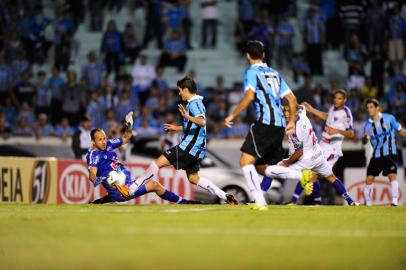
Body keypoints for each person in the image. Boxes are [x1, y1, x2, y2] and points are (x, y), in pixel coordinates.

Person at [132, 76, 238, 205]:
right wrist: (177, 128)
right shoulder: (197, 103)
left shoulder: (194, 103)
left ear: (186, 90)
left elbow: (202, 122)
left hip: (189, 146)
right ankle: (224, 195)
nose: (179, 93)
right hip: (197, 149)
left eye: (180, 90)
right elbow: (194, 125)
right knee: (194, 178)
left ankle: (132, 188)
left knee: (156, 164)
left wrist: (186, 116)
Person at [224, 40, 298, 211]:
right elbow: (292, 99)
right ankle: (302, 175)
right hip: (279, 125)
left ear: (248, 56)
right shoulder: (275, 73)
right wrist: (292, 121)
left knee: (245, 161)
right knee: (263, 167)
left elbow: (249, 97)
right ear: (263, 55)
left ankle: (259, 201)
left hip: (265, 122)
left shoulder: (251, 72)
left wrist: (232, 114)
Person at [87, 112, 199, 204]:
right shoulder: (94, 155)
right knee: (154, 185)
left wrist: (129, 125)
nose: (103, 142)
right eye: (100, 140)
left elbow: (126, 138)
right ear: (93, 141)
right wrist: (96, 179)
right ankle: (185, 203)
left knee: (116, 193)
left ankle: (98, 202)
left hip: (126, 183)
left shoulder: (109, 144)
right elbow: (92, 173)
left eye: (104, 138)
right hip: (124, 190)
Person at [264, 101, 359, 206]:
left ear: (295, 113)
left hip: (305, 159)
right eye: (285, 111)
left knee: (270, 171)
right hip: (318, 155)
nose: (286, 114)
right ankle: (350, 201)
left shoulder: (295, 129)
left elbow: (299, 152)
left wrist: (287, 163)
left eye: (288, 111)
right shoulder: (301, 111)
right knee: (331, 177)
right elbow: (301, 106)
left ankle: (260, 199)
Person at [288, 89, 355, 205]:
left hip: (332, 149)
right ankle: (319, 203)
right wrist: (311, 109)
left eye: (339, 98)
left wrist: (336, 130)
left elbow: (351, 133)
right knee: (311, 173)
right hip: (322, 146)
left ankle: (294, 202)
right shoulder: (333, 109)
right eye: (335, 97)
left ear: (345, 100)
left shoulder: (346, 112)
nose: (336, 100)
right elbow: (327, 117)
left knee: (314, 174)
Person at [362, 99, 406, 206]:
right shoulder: (367, 125)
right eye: (367, 108)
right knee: (369, 179)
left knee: (392, 175)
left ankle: (394, 201)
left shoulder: (389, 118)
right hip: (376, 154)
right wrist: (364, 138)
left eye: (371, 107)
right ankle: (368, 204)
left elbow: (400, 130)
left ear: (377, 108)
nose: (369, 110)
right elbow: (365, 141)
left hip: (390, 152)